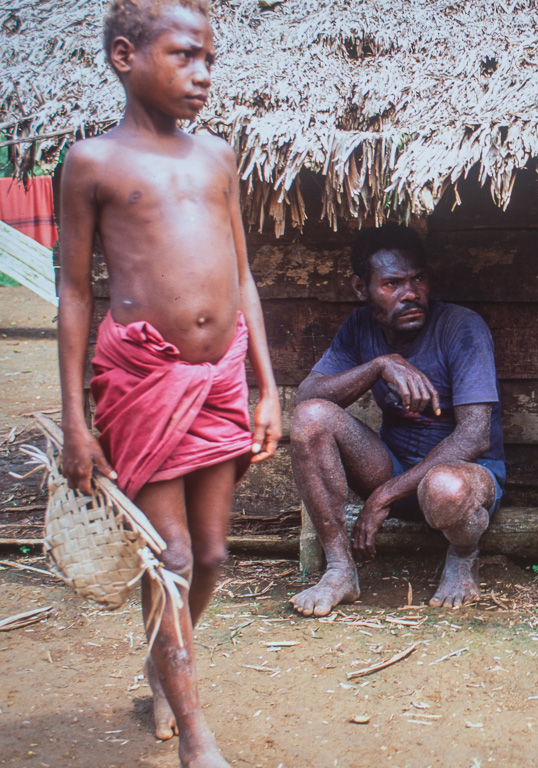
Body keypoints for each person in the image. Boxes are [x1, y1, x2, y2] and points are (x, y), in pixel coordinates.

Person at [57, 1, 282, 765]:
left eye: (209, 60)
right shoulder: (92, 163)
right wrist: (77, 423)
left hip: (219, 375)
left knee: (213, 555)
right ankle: (195, 732)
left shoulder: (217, 157)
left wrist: (268, 387)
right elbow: (76, 293)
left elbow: (244, 275)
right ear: (125, 57)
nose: (203, 75)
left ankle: (162, 663)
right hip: (142, 374)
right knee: (174, 556)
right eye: (184, 57)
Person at [289, 223, 505, 617]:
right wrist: (377, 366)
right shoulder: (360, 327)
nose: (411, 293)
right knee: (309, 418)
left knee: (444, 488)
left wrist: (384, 496)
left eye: (418, 279)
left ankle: (463, 554)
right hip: (393, 469)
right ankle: (340, 571)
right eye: (392, 283)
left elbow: (474, 437)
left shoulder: (460, 327)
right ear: (361, 289)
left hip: (463, 480)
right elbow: (306, 395)